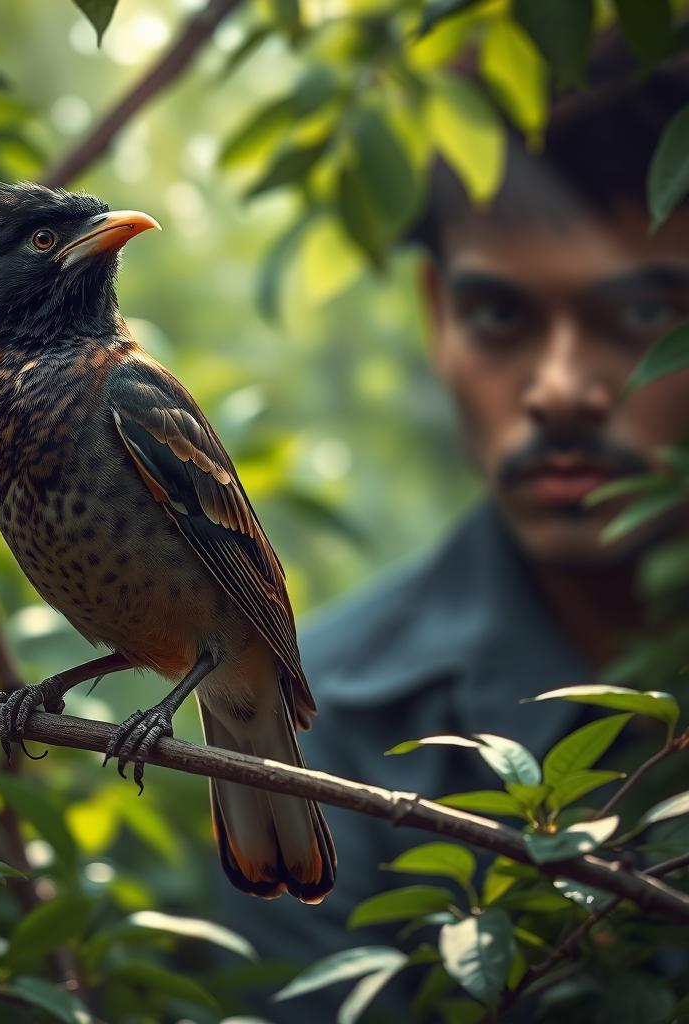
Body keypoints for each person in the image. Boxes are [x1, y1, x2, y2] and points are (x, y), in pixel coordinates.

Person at [220, 36, 689, 1021]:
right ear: (436, 314)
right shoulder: (322, 723)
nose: (560, 390)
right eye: (498, 314)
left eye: (644, 308)